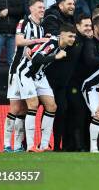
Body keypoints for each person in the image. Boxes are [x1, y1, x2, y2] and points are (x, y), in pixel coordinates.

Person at [15, 23, 77, 151]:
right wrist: (56, 56)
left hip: (39, 75)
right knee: (33, 105)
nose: (72, 39)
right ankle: (31, 146)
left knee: (52, 106)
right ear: (62, 35)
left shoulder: (62, 46)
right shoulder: (53, 44)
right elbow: (36, 59)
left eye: (74, 37)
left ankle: (44, 145)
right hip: (26, 73)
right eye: (70, 36)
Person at [3, 0, 48, 152]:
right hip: (16, 70)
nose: (42, 9)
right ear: (31, 9)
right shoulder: (24, 23)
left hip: (29, 73)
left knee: (23, 109)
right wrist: (39, 41)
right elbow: (18, 41)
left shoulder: (41, 27)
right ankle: (6, 144)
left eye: (43, 7)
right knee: (15, 108)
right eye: (39, 7)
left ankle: (17, 146)